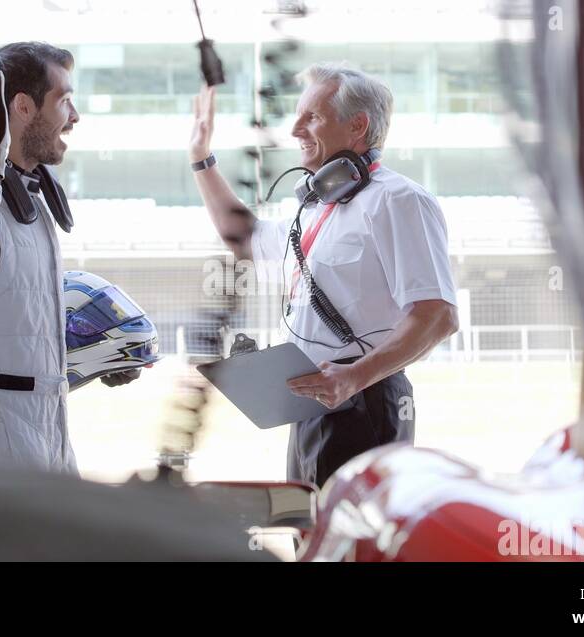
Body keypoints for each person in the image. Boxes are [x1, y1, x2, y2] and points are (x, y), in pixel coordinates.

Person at [189, 64, 459, 487]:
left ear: (357, 126)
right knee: (311, 541)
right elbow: (245, 239)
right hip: (312, 405)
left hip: (365, 401)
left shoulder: (399, 199)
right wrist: (201, 160)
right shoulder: (316, 210)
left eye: (311, 117)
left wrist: (354, 377)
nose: (294, 129)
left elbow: (438, 315)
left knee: (355, 548)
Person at [0, 42, 135, 473]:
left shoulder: (28, 200)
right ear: (21, 107)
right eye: (64, 101)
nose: (74, 117)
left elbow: (13, 335)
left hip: (47, 435)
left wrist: (91, 363)